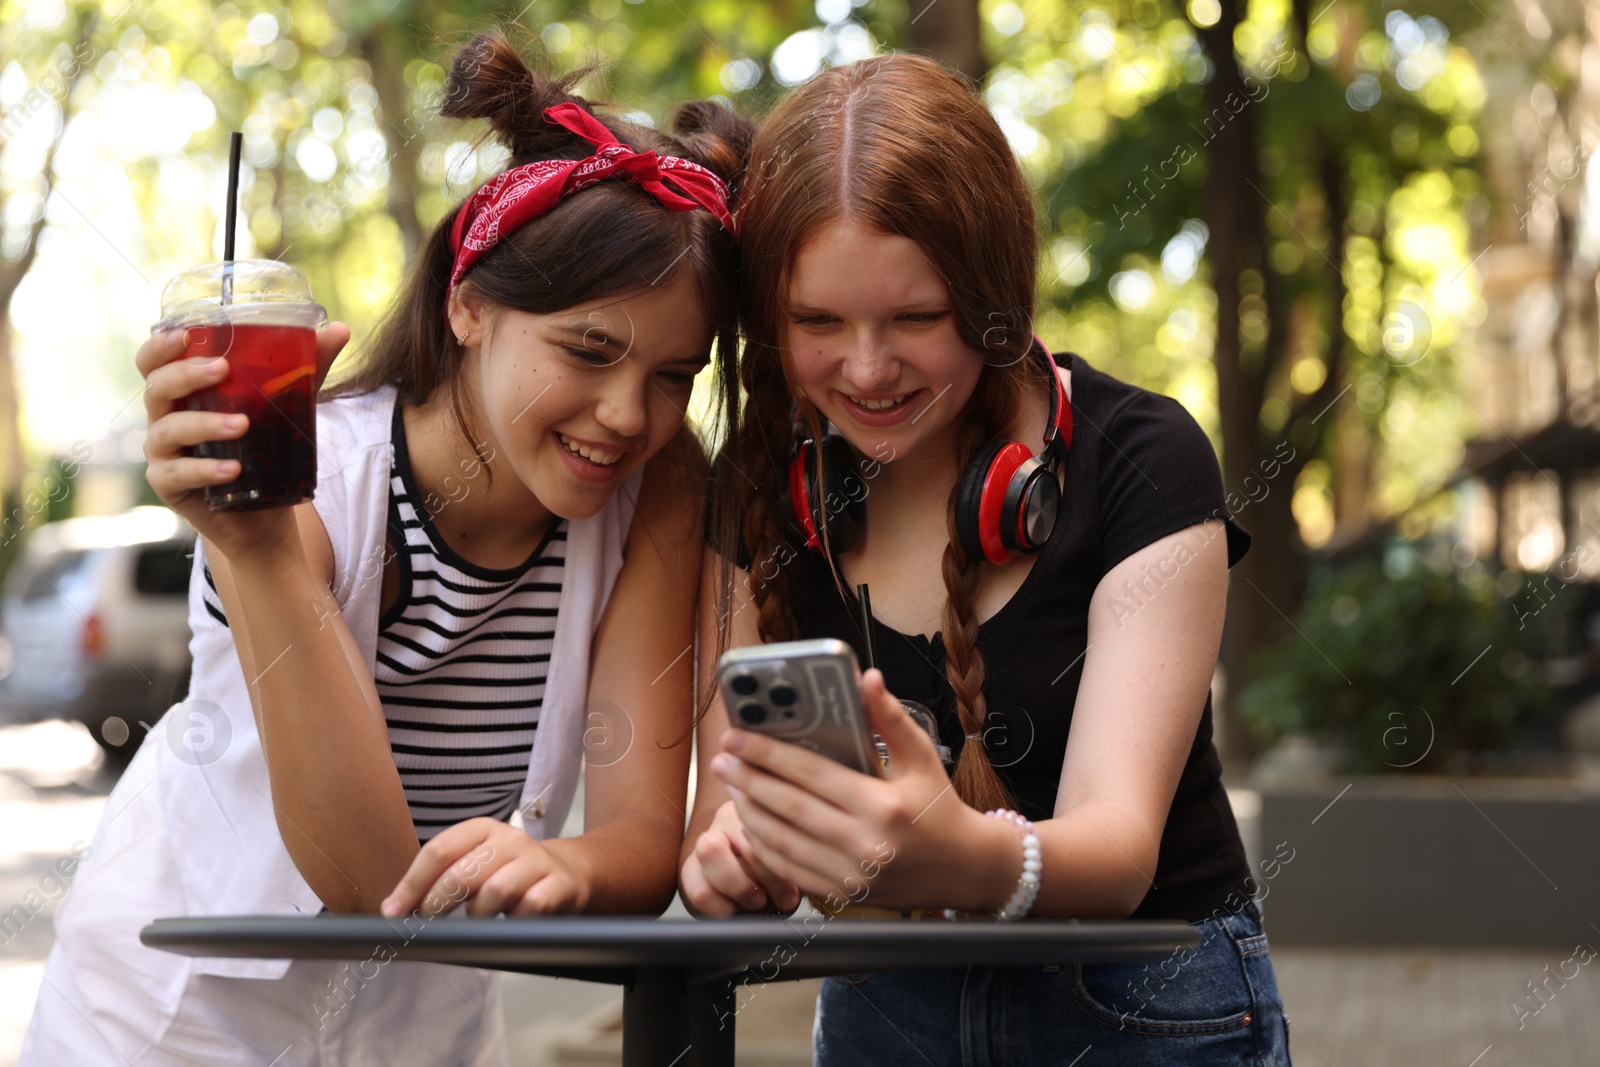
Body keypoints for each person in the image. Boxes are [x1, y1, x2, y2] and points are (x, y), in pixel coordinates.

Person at [22, 29, 749, 1066]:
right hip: (173, 1016)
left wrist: (568, 868)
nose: (629, 414)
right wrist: (254, 546)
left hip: (423, 1028)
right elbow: (368, 879)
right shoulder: (304, 492)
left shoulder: (656, 490)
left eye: (676, 375)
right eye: (588, 349)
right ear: (467, 303)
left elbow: (638, 848)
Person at [680, 53, 1293, 1066]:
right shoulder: (755, 488)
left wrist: (958, 854)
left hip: (1150, 1011)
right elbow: (727, 813)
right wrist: (732, 864)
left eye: (916, 318)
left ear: (996, 293)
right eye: (817, 323)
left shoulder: (1142, 460)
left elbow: (1117, 849)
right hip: (887, 1018)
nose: (868, 368)